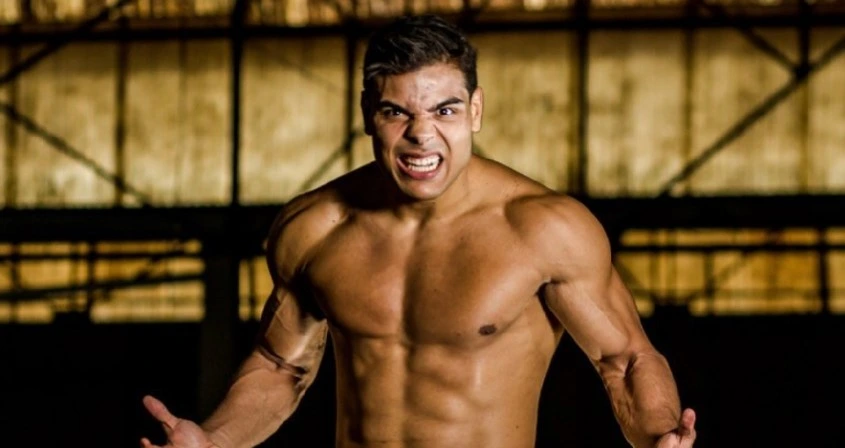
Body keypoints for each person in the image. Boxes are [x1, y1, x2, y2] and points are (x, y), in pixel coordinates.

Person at [141, 14, 696, 448]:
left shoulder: (543, 229)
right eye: (396, 113)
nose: (422, 135)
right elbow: (280, 366)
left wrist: (658, 433)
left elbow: (625, 360)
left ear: (475, 110)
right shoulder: (313, 229)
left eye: (445, 111)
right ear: (368, 113)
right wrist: (215, 439)